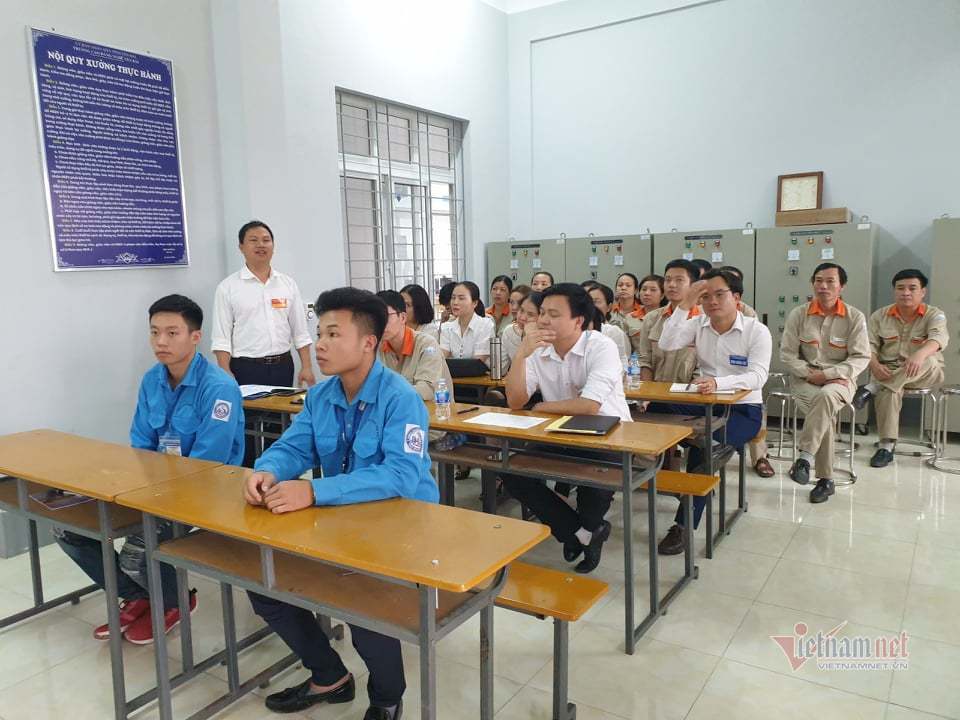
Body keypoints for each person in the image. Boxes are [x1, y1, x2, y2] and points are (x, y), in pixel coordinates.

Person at [243, 287, 435, 719]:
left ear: (369, 342)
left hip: (403, 526)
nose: (321, 344)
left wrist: (314, 491)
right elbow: (294, 448)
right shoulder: (321, 396)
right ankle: (329, 675)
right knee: (265, 587)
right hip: (343, 523)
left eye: (333, 334)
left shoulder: (401, 398)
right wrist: (267, 470)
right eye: (319, 332)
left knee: (363, 609)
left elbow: (402, 476)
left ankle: (386, 697)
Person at [56, 295, 244, 644]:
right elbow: (141, 444)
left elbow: (207, 463)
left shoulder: (219, 388)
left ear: (195, 336)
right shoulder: (151, 381)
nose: (161, 342)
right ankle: (141, 596)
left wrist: (151, 496)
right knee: (69, 529)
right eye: (155, 332)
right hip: (153, 487)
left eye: (172, 333)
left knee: (135, 552)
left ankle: (175, 601)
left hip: (205, 491)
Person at [501, 283, 632, 573]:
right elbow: (515, 400)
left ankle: (580, 529)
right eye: (542, 313)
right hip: (560, 433)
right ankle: (580, 534)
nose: (543, 320)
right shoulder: (537, 350)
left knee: (592, 498)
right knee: (511, 468)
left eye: (554, 314)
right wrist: (522, 354)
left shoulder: (601, 346)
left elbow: (589, 405)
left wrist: (540, 408)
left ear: (578, 321)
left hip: (610, 437)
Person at [654, 271, 771, 554]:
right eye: (706, 296)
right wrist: (685, 304)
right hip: (704, 404)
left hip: (743, 409)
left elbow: (758, 376)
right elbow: (666, 343)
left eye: (720, 294)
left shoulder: (756, 330)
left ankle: (683, 526)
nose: (712, 302)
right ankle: (701, 442)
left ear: (737, 298)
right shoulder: (699, 323)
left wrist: (719, 383)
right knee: (656, 409)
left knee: (703, 452)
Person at [211, 220, 315, 466]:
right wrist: (226, 373)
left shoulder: (287, 284)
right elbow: (221, 337)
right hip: (245, 368)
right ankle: (246, 475)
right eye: (253, 240)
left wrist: (307, 366)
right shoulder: (228, 288)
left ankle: (275, 473)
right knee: (245, 425)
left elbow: (300, 331)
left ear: (273, 245)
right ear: (241, 247)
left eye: (266, 240)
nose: (261, 245)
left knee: (279, 424)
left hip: (281, 365)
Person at [782, 263, 870, 504]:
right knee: (824, 412)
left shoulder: (854, 317)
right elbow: (787, 354)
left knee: (825, 399)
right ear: (812, 283)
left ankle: (805, 458)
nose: (823, 286)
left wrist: (829, 374)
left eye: (830, 281)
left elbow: (861, 357)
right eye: (819, 280)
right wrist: (809, 373)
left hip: (840, 380)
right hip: (805, 380)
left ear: (842, 286)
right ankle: (825, 480)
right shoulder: (798, 315)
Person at [854, 269, 948, 467]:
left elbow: (938, 339)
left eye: (912, 288)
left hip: (925, 371)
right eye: (900, 288)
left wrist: (919, 354)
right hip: (888, 371)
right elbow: (867, 346)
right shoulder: (880, 316)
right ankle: (886, 447)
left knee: (927, 361)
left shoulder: (934, 314)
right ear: (894, 291)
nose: (906, 292)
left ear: (923, 291)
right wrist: (875, 365)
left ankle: (872, 387)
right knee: (890, 391)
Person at [718, 266, 774, 477]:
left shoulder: (748, 314)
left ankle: (760, 457)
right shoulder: (704, 316)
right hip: (709, 379)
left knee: (754, 403)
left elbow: (754, 363)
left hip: (743, 376)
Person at [376, 290, 451, 401]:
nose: (380, 322)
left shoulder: (427, 344)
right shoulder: (376, 347)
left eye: (385, 316)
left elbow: (427, 391)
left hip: (434, 412)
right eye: (375, 317)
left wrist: (386, 393)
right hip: (396, 411)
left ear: (402, 317)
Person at [637, 259, 700, 386]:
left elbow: (704, 367)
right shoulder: (651, 318)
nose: (672, 285)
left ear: (693, 286)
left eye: (679, 280)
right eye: (668, 279)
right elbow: (645, 360)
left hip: (691, 397)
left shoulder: (703, 320)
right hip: (656, 394)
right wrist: (646, 397)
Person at [439, 281, 495, 366]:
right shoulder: (446, 327)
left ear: (475, 303)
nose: (455, 302)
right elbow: (441, 360)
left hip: (481, 378)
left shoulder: (485, 325)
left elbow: (477, 362)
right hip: (453, 377)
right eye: (453, 298)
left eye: (461, 298)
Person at [586, 282, 631, 366]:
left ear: (609, 307)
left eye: (596, 301)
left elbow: (623, 361)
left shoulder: (614, 332)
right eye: (588, 301)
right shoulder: (578, 330)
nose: (591, 305)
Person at [609, 272, 646, 354]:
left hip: (638, 360)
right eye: (620, 285)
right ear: (616, 289)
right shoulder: (609, 312)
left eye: (628, 285)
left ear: (636, 290)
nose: (623, 288)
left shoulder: (644, 311)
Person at [500, 285, 534, 371]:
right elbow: (501, 367)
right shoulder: (508, 331)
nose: (514, 307)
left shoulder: (543, 333)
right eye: (511, 302)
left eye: (519, 303)